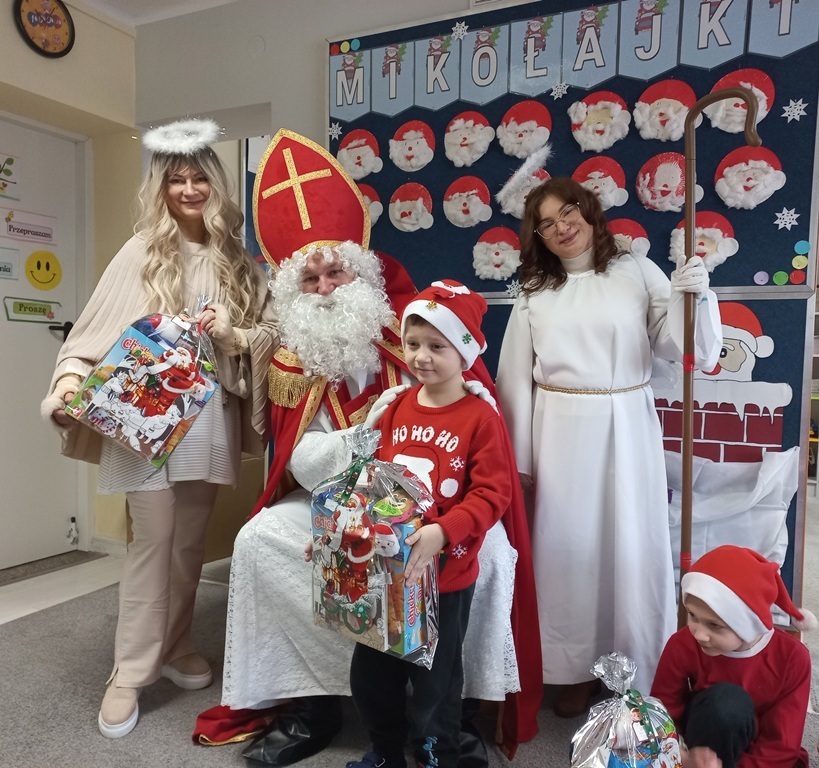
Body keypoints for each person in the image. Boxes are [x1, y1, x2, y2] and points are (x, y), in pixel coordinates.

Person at [194, 130, 542, 762]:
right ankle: (308, 705)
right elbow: (301, 462)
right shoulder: (294, 355)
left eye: (336, 271)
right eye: (310, 278)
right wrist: (360, 445)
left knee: (490, 552)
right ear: (293, 288)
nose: (326, 287)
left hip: (437, 505)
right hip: (339, 497)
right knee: (258, 540)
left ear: (363, 270)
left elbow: (478, 449)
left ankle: (455, 710)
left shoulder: (418, 335)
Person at [40, 118, 278, 738]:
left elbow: (270, 339)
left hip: (207, 418)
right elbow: (90, 334)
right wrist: (67, 387)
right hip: (140, 419)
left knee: (188, 544)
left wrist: (235, 335)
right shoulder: (141, 251)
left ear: (217, 185)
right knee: (152, 541)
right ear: (162, 188)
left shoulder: (239, 262)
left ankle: (174, 644)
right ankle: (130, 670)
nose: (190, 189)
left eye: (201, 178)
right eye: (178, 180)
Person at [496, 176, 722, 716]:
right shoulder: (533, 291)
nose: (561, 228)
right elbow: (513, 380)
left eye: (567, 212)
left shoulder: (636, 269)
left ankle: (633, 666)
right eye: (545, 224)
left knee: (629, 544)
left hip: (627, 424)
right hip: (560, 432)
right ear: (537, 237)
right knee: (568, 549)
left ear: (589, 210)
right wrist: (520, 463)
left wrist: (694, 296)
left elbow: (681, 346)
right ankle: (571, 668)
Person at [346, 279, 512, 768]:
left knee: (436, 682)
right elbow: (372, 479)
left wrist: (446, 529)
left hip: (445, 578)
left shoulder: (481, 418)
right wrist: (341, 532)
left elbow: (493, 493)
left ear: (464, 352)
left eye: (437, 346)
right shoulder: (396, 406)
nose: (421, 357)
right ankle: (384, 751)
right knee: (373, 674)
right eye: (413, 343)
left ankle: (435, 756)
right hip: (387, 574)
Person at [650, 545, 815, 768]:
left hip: (763, 759)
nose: (699, 633)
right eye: (693, 616)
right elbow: (661, 712)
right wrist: (678, 754)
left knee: (729, 703)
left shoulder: (793, 658)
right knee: (724, 705)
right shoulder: (683, 643)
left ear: (748, 623)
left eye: (714, 625)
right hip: (703, 747)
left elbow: (782, 744)